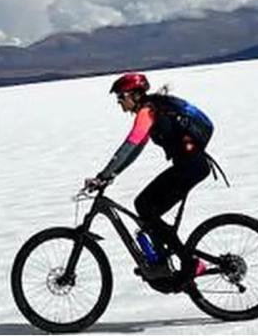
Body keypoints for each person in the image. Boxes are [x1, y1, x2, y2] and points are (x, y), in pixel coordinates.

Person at [84, 72, 223, 292]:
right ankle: (164, 261)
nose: (119, 102)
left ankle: (189, 263)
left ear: (134, 95)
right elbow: (135, 151)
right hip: (190, 166)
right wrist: (112, 174)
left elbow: (129, 144)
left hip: (190, 167)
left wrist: (103, 175)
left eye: (121, 97)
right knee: (145, 207)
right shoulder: (153, 109)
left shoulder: (147, 111)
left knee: (146, 207)